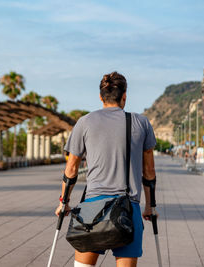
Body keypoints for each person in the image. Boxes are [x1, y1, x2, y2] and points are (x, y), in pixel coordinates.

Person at [55, 71, 157, 267]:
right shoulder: (141, 122)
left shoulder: (84, 122)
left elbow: (71, 169)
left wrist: (64, 202)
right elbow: (149, 172)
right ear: (124, 96)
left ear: (101, 97)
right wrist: (150, 207)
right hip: (128, 208)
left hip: (92, 209)